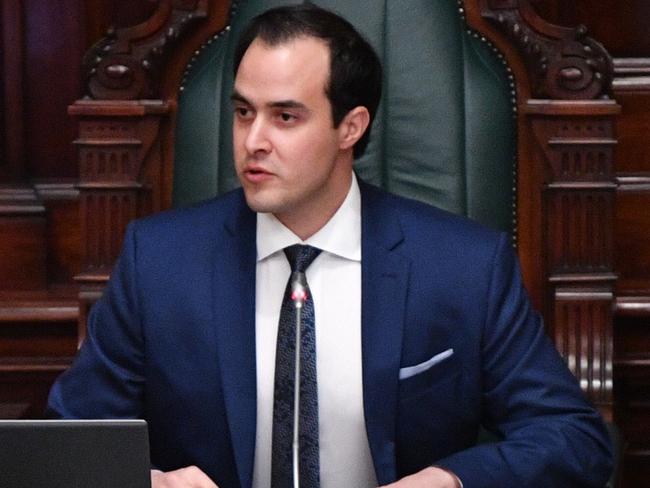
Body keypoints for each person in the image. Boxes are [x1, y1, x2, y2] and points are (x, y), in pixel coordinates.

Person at [47, 3, 613, 488]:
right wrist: (150, 482)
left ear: (351, 127)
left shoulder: (464, 267)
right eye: (243, 112)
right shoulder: (160, 261)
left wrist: (453, 478)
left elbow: (573, 438)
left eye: (285, 117)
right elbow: (67, 444)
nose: (253, 141)